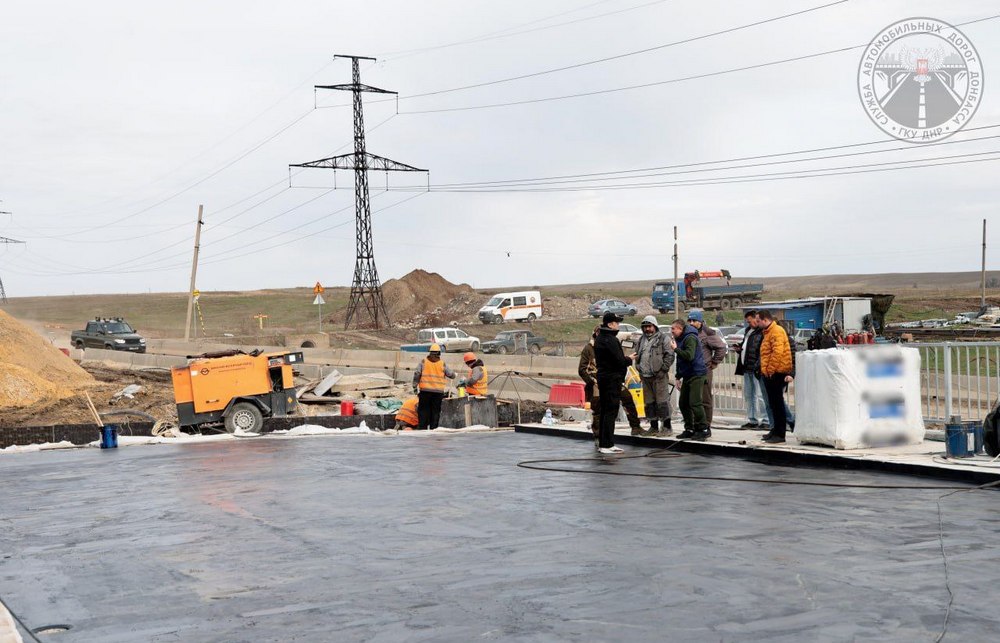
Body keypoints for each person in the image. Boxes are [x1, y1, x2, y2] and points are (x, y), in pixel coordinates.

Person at [579, 325, 643, 442]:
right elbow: (582, 369)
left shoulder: (608, 345)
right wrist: (592, 382)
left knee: (627, 398)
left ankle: (635, 426)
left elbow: (616, 362)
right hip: (596, 382)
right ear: (595, 334)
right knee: (598, 408)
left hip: (613, 380)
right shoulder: (589, 349)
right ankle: (599, 435)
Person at [593, 311, 633, 454]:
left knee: (605, 410)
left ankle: (606, 443)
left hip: (604, 378)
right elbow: (619, 361)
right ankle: (607, 444)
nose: (618, 325)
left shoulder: (600, 338)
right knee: (610, 411)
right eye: (616, 323)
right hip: (611, 379)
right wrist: (629, 359)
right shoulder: (610, 339)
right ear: (610, 324)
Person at [634, 315, 674, 436]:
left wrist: (663, 370)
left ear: (655, 326)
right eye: (645, 326)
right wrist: (638, 367)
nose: (647, 329)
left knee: (662, 402)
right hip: (645, 376)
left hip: (659, 376)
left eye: (649, 326)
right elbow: (637, 354)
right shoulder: (641, 340)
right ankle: (653, 427)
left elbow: (670, 355)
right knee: (649, 403)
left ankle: (667, 427)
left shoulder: (663, 339)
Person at [687, 310, 727, 429]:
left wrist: (714, 362)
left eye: (694, 321)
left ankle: (706, 423)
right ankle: (695, 422)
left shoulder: (707, 333)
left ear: (700, 321)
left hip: (704, 370)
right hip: (691, 370)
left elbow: (721, 348)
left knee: (705, 398)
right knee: (692, 399)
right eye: (690, 321)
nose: (692, 323)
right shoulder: (689, 333)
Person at [758, 311, 794, 443]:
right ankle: (775, 430)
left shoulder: (776, 331)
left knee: (777, 404)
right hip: (770, 372)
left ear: (765, 320)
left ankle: (780, 434)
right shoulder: (768, 332)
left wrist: (770, 370)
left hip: (776, 372)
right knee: (773, 404)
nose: (757, 323)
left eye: (758, 320)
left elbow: (777, 353)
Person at [670, 319, 709, 440]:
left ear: (680, 329)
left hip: (696, 373)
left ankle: (703, 428)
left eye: (673, 329)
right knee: (683, 403)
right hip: (687, 374)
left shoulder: (690, 338)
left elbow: (689, 356)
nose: (671, 331)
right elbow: (680, 360)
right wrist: (678, 376)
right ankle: (689, 428)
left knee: (695, 402)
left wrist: (676, 349)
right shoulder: (680, 339)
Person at [734, 310, 768, 430]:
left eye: (751, 321)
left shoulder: (762, 332)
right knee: (749, 395)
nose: (749, 324)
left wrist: (758, 365)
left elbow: (762, 351)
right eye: (747, 322)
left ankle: (765, 420)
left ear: (756, 319)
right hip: (747, 367)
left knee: (760, 395)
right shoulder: (749, 331)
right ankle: (752, 419)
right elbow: (748, 346)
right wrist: (740, 349)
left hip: (756, 369)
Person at [412, 344, 456, 430]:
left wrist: (414, 385)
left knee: (423, 411)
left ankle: (422, 429)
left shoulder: (423, 362)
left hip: (425, 391)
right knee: (435, 412)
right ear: (439, 353)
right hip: (438, 393)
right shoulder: (442, 364)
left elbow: (417, 373)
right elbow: (451, 375)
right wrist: (454, 375)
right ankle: (434, 429)